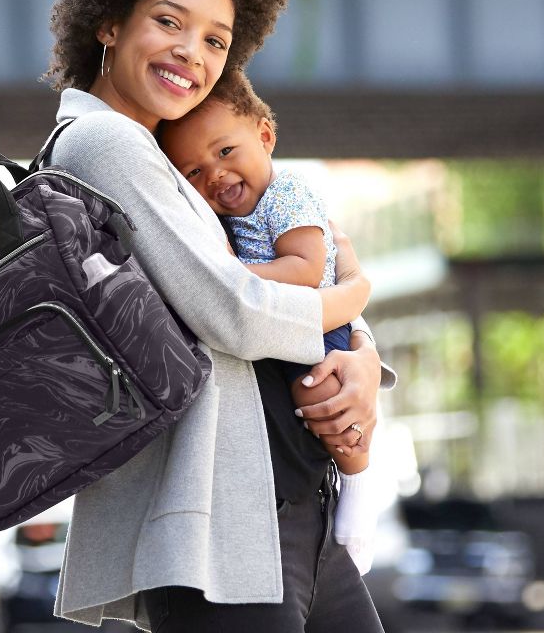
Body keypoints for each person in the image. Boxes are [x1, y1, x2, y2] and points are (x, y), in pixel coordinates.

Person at [41, 0, 396, 632]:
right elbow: (232, 309)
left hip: (281, 506)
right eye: (168, 21)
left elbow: (258, 273)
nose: (190, 54)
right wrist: (355, 304)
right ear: (109, 18)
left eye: (215, 39)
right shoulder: (105, 143)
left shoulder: (164, 152)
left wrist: (360, 355)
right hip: (227, 530)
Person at [158, 74, 380, 575]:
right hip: (284, 327)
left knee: (317, 397)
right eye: (193, 171)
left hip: (317, 326)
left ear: (265, 136)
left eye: (226, 151)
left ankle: (360, 477)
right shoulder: (229, 219)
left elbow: (303, 271)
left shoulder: (288, 196)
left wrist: (227, 277)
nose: (214, 174)